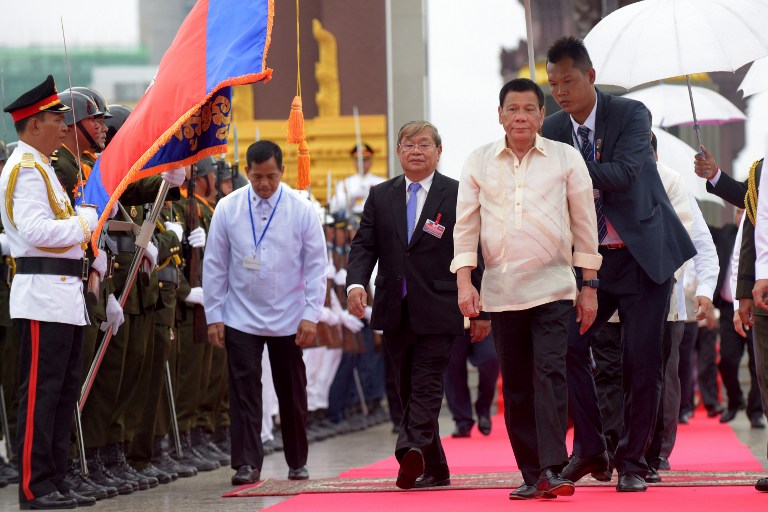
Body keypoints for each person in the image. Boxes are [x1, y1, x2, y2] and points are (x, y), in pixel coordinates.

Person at [542, 37, 695, 493]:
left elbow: (625, 174)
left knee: (640, 360)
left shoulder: (631, 114)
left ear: (590, 76)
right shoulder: (552, 127)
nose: (561, 92)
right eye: (553, 84)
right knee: (567, 346)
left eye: (568, 81)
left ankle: (633, 461)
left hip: (643, 254)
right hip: (590, 263)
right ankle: (591, 447)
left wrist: (564, 170)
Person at [452, 78, 600, 500]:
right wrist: (465, 281)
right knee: (516, 383)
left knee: (550, 373)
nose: (521, 116)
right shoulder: (478, 161)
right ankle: (531, 471)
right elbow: (465, 227)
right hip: (501, 291)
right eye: (513, 109)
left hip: (554, 287)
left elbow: (585, 225)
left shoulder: (566, 157)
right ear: (500, 115)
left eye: (529, 109)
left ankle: (553, 467)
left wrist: (589, 285)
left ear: (542, 115)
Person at [345, 120, 489, 490]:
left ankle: (408, 448)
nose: (416, 151)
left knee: (426, 383)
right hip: (395, 308)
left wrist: (481, 309)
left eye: (424, 144)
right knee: (407, 387)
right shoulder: (381, 195)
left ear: (439, 151)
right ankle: (436, 468)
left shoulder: (457, 193)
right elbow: (364, 245)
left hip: (441, 305)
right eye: (408, 144)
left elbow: (475, 251)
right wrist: (356, 283)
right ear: (398, 152)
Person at [1, 75, 99, 509]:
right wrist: (83, 224)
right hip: (42, 293)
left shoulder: (42, 166)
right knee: (41, 394)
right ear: (34, 124)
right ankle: (34, 486)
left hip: (63, 294)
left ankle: (56, 478)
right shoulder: (26, 169)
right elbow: (36, 231)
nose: (64, 125)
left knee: (61, 394)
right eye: (57, 118)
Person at [204, 140, 327, 485]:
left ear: (282, 171)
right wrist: (214, 315)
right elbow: (215, 264)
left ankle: (297, 460)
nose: (264, 184)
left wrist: (311, 314)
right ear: (247, 171)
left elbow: (317, 266)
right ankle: (246, 463)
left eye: (271, 176)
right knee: (244, 390)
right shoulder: (228, 207)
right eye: (257, 177)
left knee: (291, 390)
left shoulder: (301, 209)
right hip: (240, 315)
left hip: (289, 316)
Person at [443, 328, 498, 438]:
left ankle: (484, 409)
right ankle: (463, 420)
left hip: (482, 322)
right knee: (453, 372)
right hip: (452, 325)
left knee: (491, 359)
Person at [329, 143, 385, 218]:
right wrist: (349, 197)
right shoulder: (345, 183)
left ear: (371, 161)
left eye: (365, 160)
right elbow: (334, 208)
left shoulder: (381, 182)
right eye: (358, 160)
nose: (361, 163)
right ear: (353, 162)